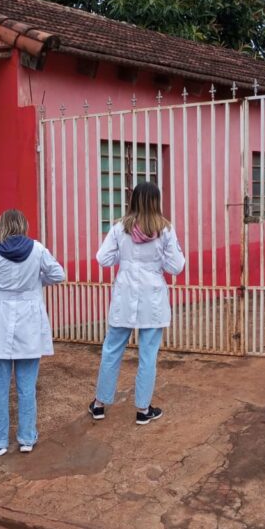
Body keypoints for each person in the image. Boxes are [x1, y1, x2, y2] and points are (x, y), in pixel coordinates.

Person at [88, 182, 185, 425]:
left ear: (133, 200)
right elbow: (176, 267)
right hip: (152, 298)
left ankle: (99, 404)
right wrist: (159, 262)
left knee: (112, 350)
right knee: (148, 355)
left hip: (125, 295)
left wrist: (124, 259)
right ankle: (143, 409)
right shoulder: (165, 229)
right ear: (156, 201)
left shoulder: (120, 228)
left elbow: (103, 258)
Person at [0, 209, 64, 455]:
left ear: (1, 226)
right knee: (27, 386)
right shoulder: (38, 250)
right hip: (29, 321)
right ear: (23, 225)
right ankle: (27, 438)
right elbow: (58, 274)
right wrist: (37, 281)